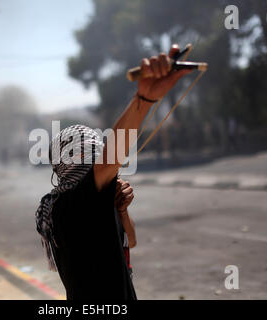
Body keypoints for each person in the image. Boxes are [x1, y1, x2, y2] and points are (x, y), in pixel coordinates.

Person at [35, 45, 192, 300]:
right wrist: (144, 98)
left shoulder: (95, 199)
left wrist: (121, 209)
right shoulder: (69, 203)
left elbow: (131, 239)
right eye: (92, 157)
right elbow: (113, 155)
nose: (100, 163)